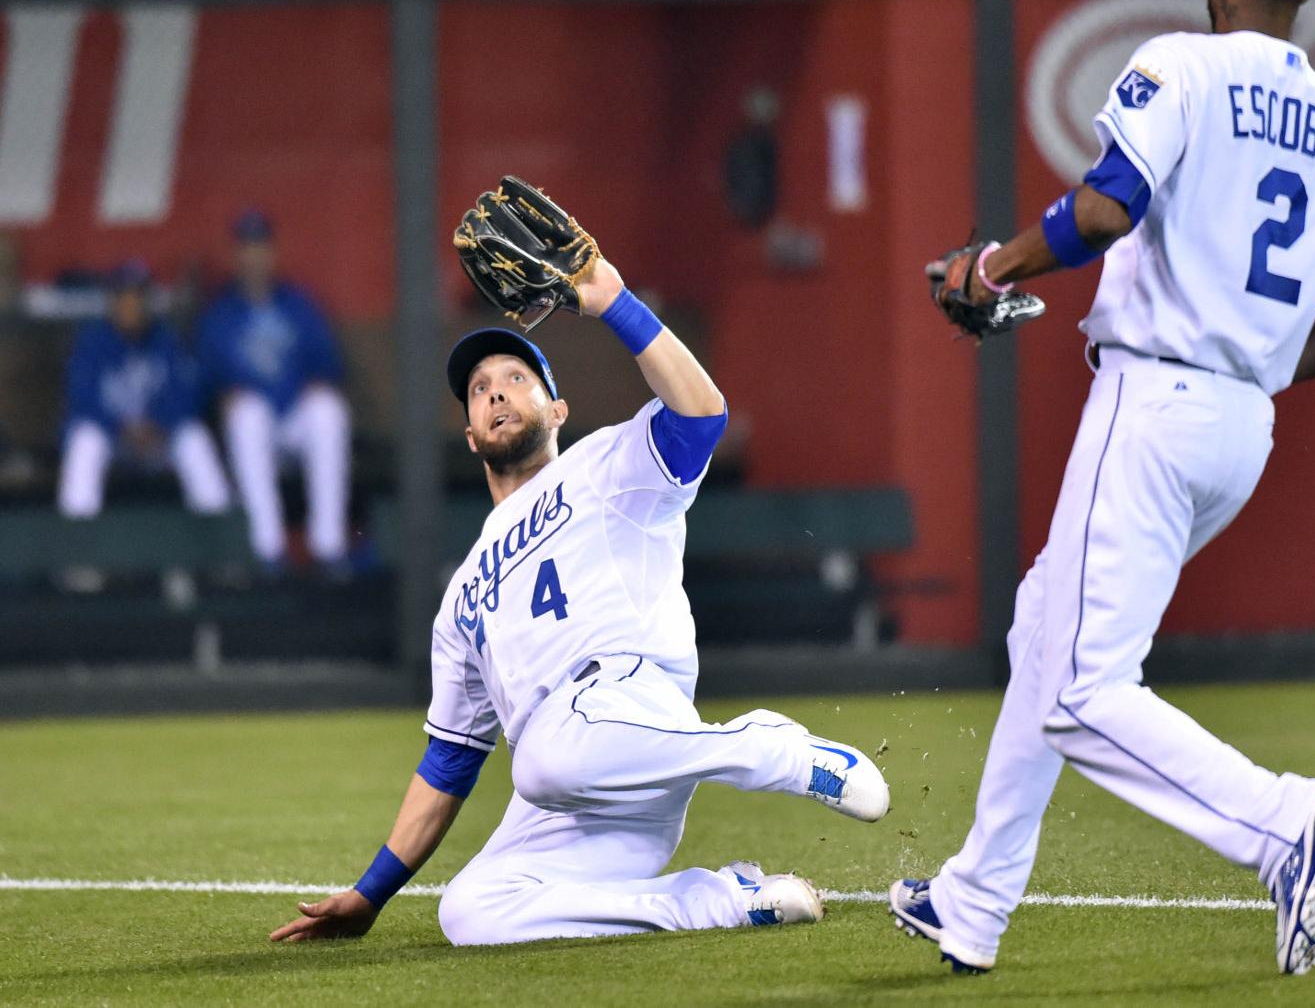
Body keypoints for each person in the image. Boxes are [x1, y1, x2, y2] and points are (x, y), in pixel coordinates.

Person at [889, 0, 1315, 977]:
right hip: (1241, 430)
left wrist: (987, 269)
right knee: (1047, 626)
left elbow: (1102, 209)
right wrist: (1267, 366)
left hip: (1155, 402)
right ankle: (972, 899)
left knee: (1082, 684)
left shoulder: (1183, 61)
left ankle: (1278, 821)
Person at [270, 240, 890, 947]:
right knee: (469, 911)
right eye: (479, 390)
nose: (496, 391)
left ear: (558, 410)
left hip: (625, 707)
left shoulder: (606, 465)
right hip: (586, 804)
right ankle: (721, 899)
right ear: (471, 437)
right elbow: (450, 759)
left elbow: (700, 418)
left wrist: (611, 302)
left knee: (540, 755)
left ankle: (764, 749)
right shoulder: (461, 596)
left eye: (515, 377)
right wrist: (371, 893)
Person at [195, 209, 351, 572]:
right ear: (236, 256)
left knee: (328, 410)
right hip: (252, 428)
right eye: (246, 248)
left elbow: (328, 364)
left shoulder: (296, 304)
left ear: (271, 253)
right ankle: (268, 549)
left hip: (295, 419)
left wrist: (318, 383)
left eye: (260, 247)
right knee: (247, 414)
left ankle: (328, 546)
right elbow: (205, 381)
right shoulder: (220, 314)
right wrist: (223, 397)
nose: (253, 256)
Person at [57, 259, 229, 520]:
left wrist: (156, 423)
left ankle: (221, 543)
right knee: (85, 441)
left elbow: (186, 396)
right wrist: (123, 427)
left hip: (158, 438)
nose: (131, 306)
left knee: (193, 438)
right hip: (114, 439)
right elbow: (82, 400)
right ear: (113, 303)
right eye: (124, 298)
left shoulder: (166, 339)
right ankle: (78, 548)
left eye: (137, 298)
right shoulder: (93, 341)